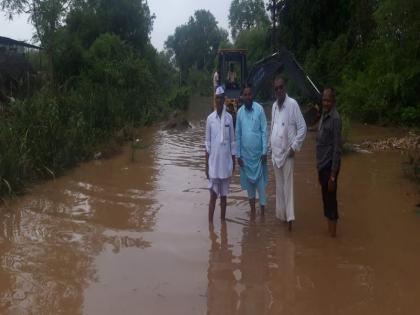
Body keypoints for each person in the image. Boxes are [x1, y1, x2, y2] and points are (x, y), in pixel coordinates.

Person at [270, 76, 307, 231]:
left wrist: (294, 147)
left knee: (288, 188)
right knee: (279, 188)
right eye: (276, 88)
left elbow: (303, 128)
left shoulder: (292, 105)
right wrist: (268, 149)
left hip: (288, 154)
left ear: (285, 88)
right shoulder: (273, 106)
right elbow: (272, 128)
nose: (279, 90)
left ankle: (290, 221)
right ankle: (283, 218)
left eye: (281, 87)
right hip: (275, 154)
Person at [205, 86, 236, 222]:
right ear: (215, 99)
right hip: (213, 165)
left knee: (224, 197)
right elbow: (207, 144)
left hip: (226, 163)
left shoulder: (229, 118)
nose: (219, 100)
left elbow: (233, 142)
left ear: (224, 99)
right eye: (217, 97)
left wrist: (233, 162)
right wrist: (206, 165)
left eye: (221, 97)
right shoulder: (209, 119)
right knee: (212, 197)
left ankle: (223, 223)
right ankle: (210, 225)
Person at [236, 86, 268, 214]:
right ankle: (253, 216)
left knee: (261, 189)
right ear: (242, 97)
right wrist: (238, 155)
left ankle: (263, 216)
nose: (248, 97)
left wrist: (265, 151)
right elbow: (237, 135)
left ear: (252, 95)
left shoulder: (259, 110)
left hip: (259, 157)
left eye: (249, 94)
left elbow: (264, 131)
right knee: (250, 190)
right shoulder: (239, 113)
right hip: (245, 158)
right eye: (245, 95)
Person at [316, 87, 342, 237]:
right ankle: (329, 233)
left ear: (333, 101)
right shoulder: (324, 115)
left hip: (329, 167)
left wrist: (333, 175)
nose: (325, 102)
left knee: (331, 202)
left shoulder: (335, 119)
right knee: (326, 201)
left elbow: (337, 148)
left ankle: (333, 237)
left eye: (328, 100)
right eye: (324, 99)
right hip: (322, 166)